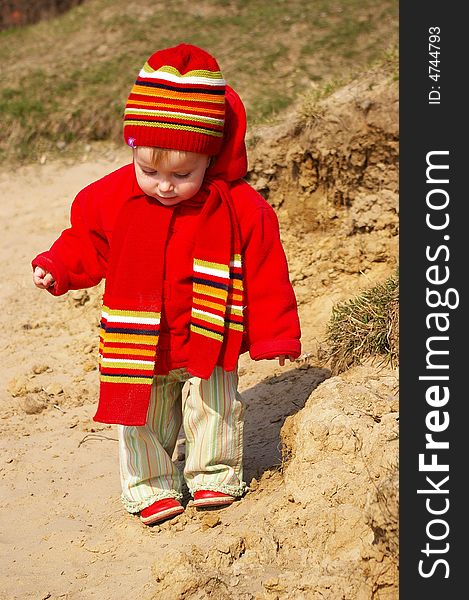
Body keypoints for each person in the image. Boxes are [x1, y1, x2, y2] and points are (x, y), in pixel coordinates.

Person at [32, 43, 301, 527]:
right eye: (149, 170)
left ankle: (213, 474)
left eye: (182, 174)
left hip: (209, 331)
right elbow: (87, 243)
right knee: (141, 415)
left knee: (214, 409)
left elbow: (265, 271)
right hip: (143, 341)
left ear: (211, 157)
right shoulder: (112, 196)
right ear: (133, 148)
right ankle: (150, 485)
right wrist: (59, 266)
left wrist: (274, 334)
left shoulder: (240, 207)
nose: (163, 185)